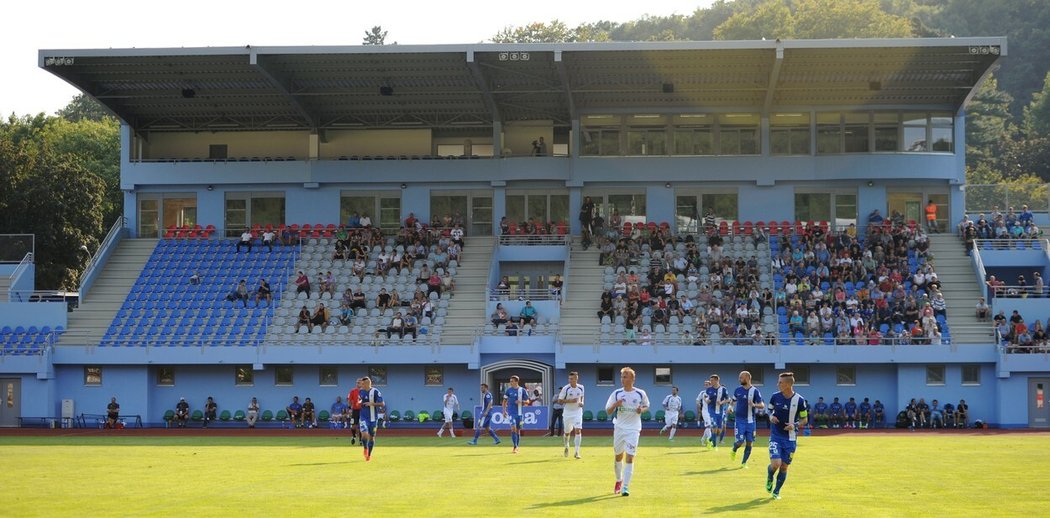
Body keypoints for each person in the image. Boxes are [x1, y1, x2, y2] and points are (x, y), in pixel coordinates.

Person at [606, 366, 650, 497]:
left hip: (634, 429)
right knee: (618, 456)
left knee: (630, 457)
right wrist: (615, 405)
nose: (622, 379)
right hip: (619, 428)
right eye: (621, 376)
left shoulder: (640, 393)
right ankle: (619, 480)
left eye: (625, 376)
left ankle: (625, 486)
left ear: (632, 379)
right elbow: (608, 411)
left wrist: (640, 410)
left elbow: (647, 406)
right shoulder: (616, 393)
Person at [766, 372, 810, 500]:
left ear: (788, 384)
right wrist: (771, 416)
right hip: (775, 436)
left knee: (784, 466)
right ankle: (770, 477)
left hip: (790, 438)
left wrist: (794, 425)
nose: (777, 384)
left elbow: (804, 419)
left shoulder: (800, 400)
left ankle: (776, 491)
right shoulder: (775, 397)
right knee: (776, 464)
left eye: (780, 382)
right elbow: (769, 410)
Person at [731, 371, 763, 468]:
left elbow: (762, 405)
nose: (739, 379)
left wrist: (754, 405)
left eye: (741, 377)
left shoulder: (755, 391)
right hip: (739, 420)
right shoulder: (737, 390)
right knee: (740, 441)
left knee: (749, 441)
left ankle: (744, 463)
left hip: (750, 421)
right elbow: (732, 401)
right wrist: (730, 407)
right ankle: (734, 449)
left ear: (747, 378)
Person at [557, 371, 586, 459]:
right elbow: (559, 401)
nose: (570, 380)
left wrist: (582, 403)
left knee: (578, 430)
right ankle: (566, 446)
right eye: (569, 379)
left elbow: (582, 397)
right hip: (567, 413)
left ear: (576, 379)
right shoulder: (565, 388)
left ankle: (577, 452)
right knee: (567, 432)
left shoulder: (581, 387)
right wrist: (570, 401)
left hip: (577, 412)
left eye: (572, 379)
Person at [358, 376, 385, 461]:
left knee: (372, 437)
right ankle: (365, 448)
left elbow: (382, 403)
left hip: (373, 418)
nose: (361, 385)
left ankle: (369, 455)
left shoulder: (375, 391)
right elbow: (359, 400)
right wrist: (359, 402)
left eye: (362, 383)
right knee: (364, 433)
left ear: (367, 383)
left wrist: (372, 403)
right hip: (363, 417)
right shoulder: (361, 392)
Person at [502, 375, 529, 453]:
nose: (510, 383)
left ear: (516, 381)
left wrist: (521, 402)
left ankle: (517, 446)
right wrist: (504, 411)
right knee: (513, 428)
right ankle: (515, 446)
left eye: (512, 381)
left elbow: (527, 401)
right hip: (511, 412)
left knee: (518, 430)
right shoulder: (508, 390)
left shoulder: (522, 390)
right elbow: (504, 401)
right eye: (510, 381)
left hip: (520, 413)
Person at [705, 374, 730, 449]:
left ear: (717, 380)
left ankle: (709, 440)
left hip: (721, 412)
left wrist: (722, 402)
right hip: (712, 411)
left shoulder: (723, 389)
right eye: (710, 380)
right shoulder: (709, 389)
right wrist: (707, 400)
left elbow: (728, 399)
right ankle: (714, 446)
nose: (710, 382)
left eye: (712, 380)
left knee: (719, 431)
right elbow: (706, 398)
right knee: (714, 427)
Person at [696, 380, 713, 446]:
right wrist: (698, 405)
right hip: (705, 411)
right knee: (708, 426)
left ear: (710, 385)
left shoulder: (714, 392)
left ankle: (702, 439)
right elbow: (697, 400)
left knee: (710, 427)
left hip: (712, 412)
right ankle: (710, 441)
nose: (706, 386)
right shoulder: (703, 393)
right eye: (705, 384)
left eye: (707, 384)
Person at [348, 379, 363, 445]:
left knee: (361, 426)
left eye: (359, 383)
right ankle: (354, 436)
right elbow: (349, 400)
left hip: (362, 411)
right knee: (353, 426)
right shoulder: (353, 391)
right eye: (357, 383)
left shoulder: (364, 391)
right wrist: (349, 408)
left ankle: (360, 440)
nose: (357, 384)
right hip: (355, 411)